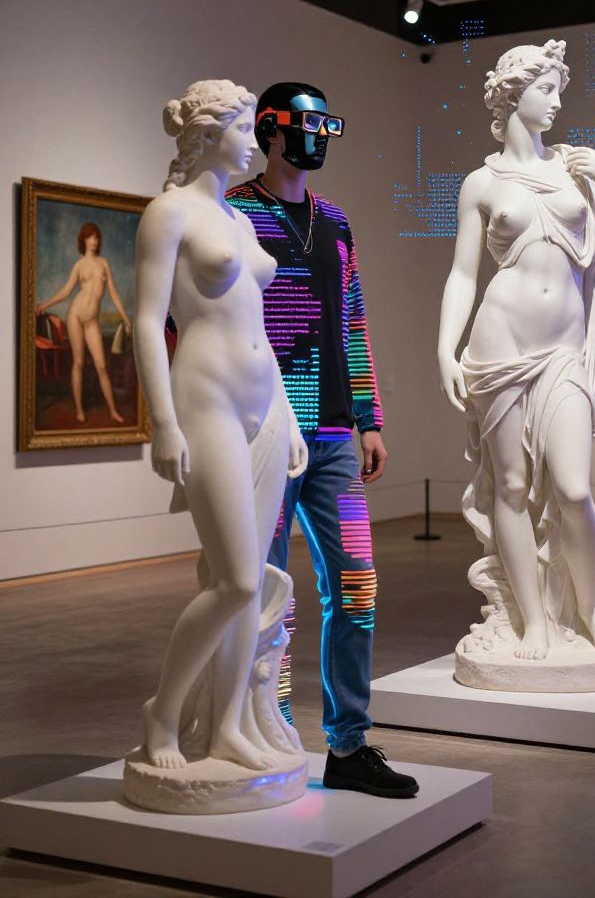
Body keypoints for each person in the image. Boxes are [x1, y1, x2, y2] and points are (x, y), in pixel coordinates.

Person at [226, 82, 417, 798]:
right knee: (268, 592)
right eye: (309, 124)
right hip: (266, 430)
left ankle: (349, 744)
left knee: (358, 585)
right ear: (271, 130)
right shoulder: (235, 213)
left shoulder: (335, 222)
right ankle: (271, 731)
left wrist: (369, 418)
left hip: (335, 434)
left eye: (327, 125)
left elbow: (353, 321)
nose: (319, 137)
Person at [437, 40, 595, 671]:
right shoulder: (481, 182)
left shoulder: (576, 170)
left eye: (557, 90)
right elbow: (463, 274)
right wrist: (445, 349)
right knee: (512, 486)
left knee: (574, 489)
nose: (555, 102)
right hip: (497, 345)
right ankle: (533, 620)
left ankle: (590, 607)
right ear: (512, 94)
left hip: (563, 352)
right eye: (546, 89)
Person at [134, 79, 307, 771]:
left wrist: (288, 413)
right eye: (243, 129)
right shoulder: (168, 212)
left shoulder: (239, 219)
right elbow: (147, 321)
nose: (256, 142)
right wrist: (162, 422)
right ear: (208, 135)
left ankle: (228, 726)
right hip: (205, 402)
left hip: (264, 405)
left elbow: (257, 324)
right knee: (233, 579)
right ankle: (163, 712)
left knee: (253, 582)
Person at [37, 222, 132, 423]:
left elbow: (114, 294)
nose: (94, 241)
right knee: (78, 363)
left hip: (92, 321)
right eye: (90, 237)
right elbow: (66, 291)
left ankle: (113, 410)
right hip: (75, 315)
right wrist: (46, 304)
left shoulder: (104, 263)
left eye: (96, 237)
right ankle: (79, 409)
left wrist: (126, 319)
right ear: (84, 240)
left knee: (102, 366)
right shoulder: (79, 265)